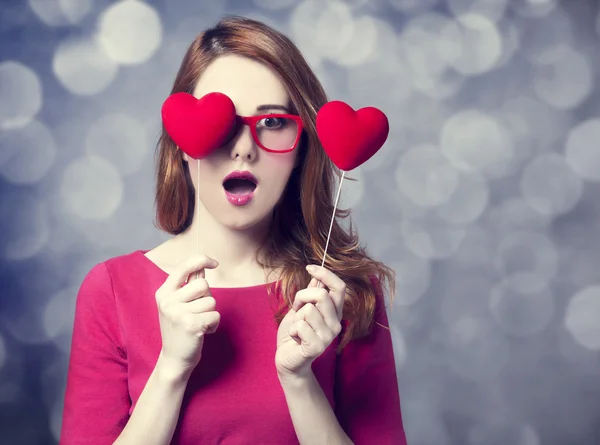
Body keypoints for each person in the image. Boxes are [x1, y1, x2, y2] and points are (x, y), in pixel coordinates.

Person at [60, 15, 407, 445]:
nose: (243, 147)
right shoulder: (112, 290)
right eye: (222, 121)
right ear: (182, 147)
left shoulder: (344, 295)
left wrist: (299, 383)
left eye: (273, 122)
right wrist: (171, 369)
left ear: (300, 150)